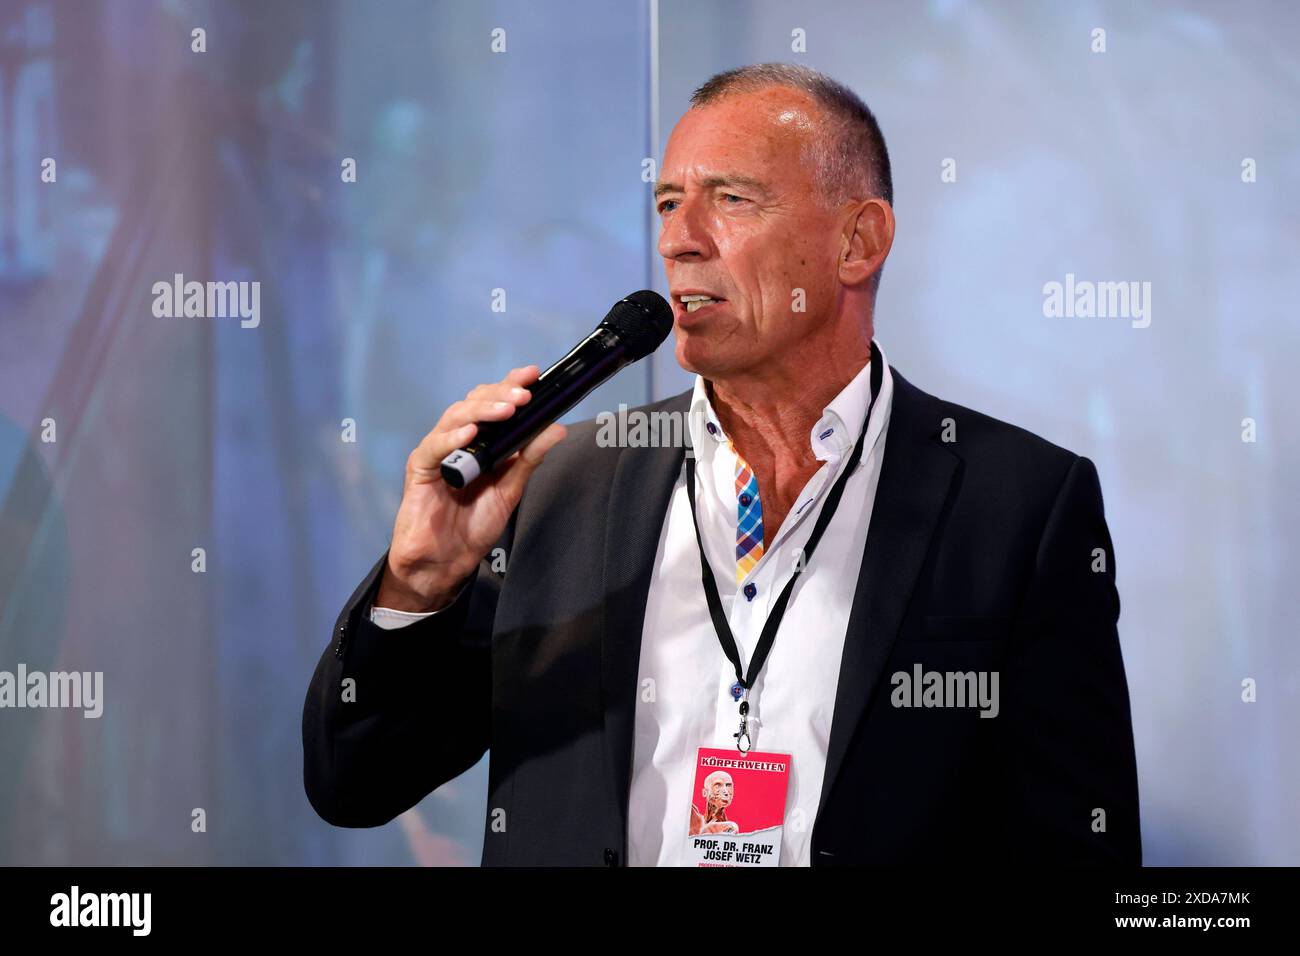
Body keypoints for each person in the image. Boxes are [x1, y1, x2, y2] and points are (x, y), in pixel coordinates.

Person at [303, 63, 1141, 867]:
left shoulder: (1017, 503)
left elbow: (1079, 846)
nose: (677, 240)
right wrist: (416, 586)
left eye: (731, 200)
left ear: (859, 240)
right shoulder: (559, 486)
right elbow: (357, 782)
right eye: (668, 202)